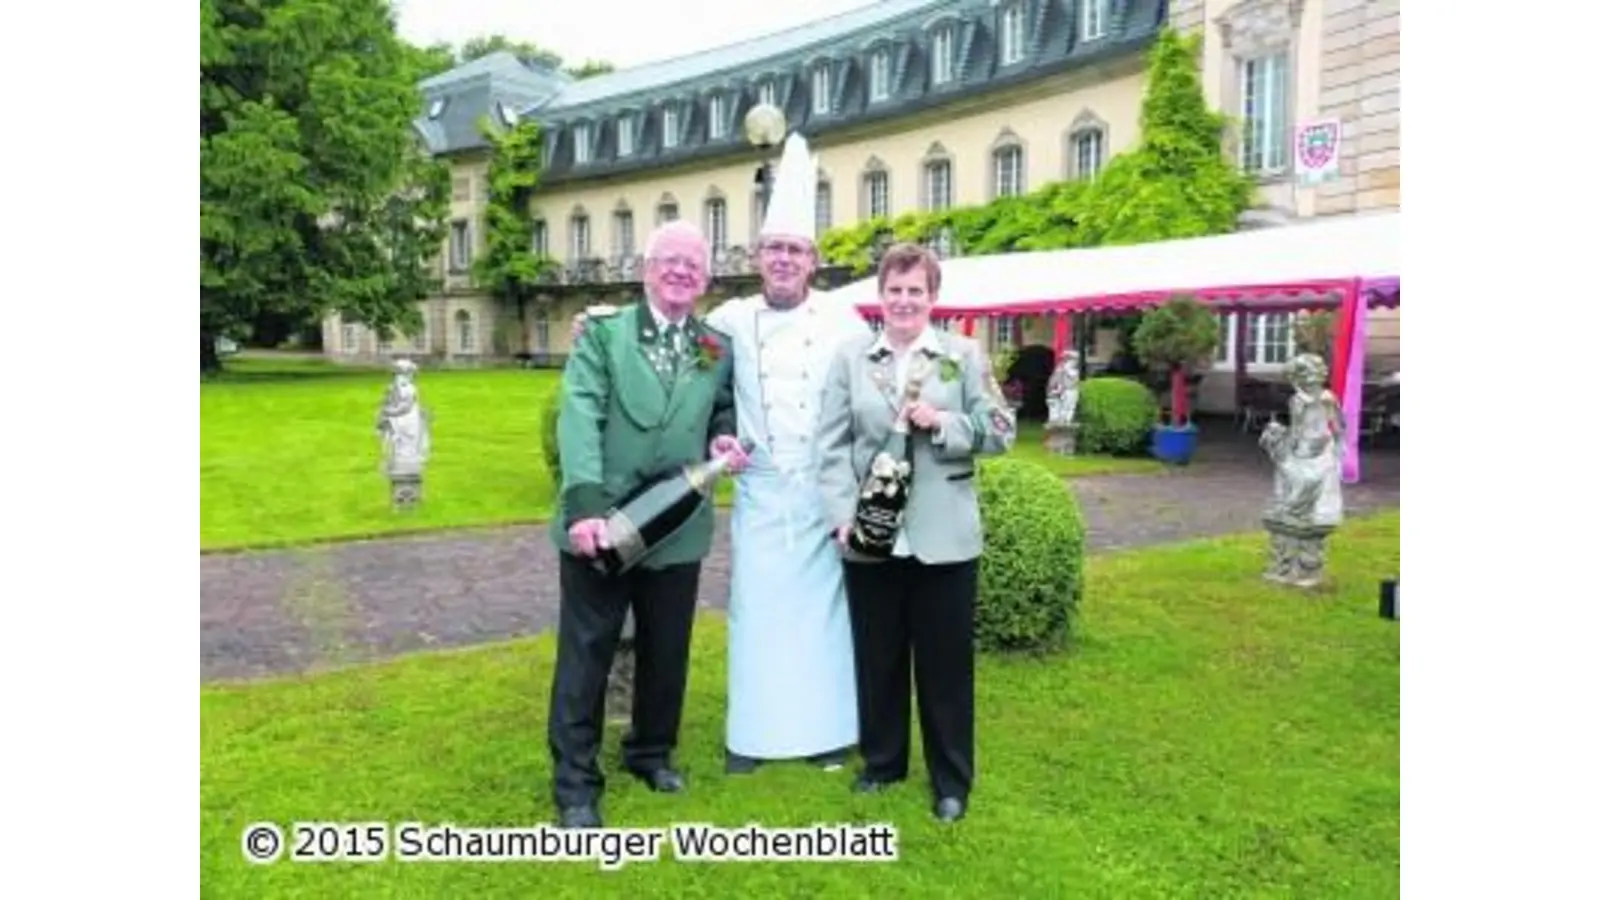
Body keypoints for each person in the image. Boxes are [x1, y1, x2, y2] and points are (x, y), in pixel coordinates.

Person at [545, 220, 748, 829]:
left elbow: (721, 403)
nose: (682, 271)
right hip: (605, 523)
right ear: (646, 270)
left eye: (693, 264)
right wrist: (582, 507)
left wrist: (724, 433)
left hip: (677, 527)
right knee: (587, 653)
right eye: (670, 261)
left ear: (706, 278)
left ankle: (651, 752)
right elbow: (578, 413)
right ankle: (576, 784)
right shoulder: (604, 336)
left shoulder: (715, 346)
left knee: (668, 650)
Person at [815, 242, 1016, 823]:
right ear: (880, 296)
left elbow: (1001, 429)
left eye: (916, 291)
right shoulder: (851, 358)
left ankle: (951, 781)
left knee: (945, 665)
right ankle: (882, 764)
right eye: (895, 290)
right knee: (877, 657)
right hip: (871, 534)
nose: (904, 301)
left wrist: (947, 423)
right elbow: (829, 447)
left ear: (933, 297)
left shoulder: (961, 356)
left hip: (944, 536)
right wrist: (840, 516)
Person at [702, 132, 872, 774]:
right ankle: (751, 737)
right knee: (757, 613)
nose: (783, 260)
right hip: (762, 491)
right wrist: (718, 431)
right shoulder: (725, 321)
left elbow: (868, 396)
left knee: (824, 617)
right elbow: (699, 388)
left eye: (794, 250)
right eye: (774, 248)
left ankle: (828, 734)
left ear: (813, 258)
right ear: (757, 254)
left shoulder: (846, 320)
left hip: (822, 492)